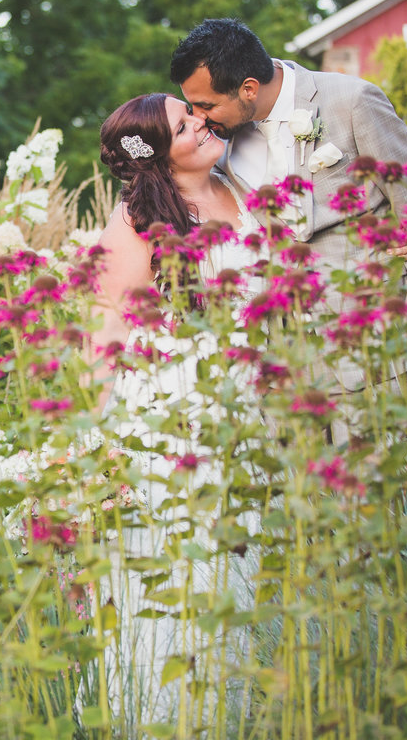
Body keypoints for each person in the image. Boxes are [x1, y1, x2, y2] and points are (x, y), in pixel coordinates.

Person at [87, 93, 264, 732]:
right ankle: (170, 716)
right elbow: (105, 331)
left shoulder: (244, 183)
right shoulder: (137, 221)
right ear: (159, 156)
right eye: (185, 125)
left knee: (246, 564)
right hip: (172, 412)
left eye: (194, 114)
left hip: (254, 398)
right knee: (181, 570)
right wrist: (92, 443)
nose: (202, 124)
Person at [169, 17, 407, 395]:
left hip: (373, 343)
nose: (197, 118)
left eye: (205, 105)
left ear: (248, 89)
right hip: (285, 361)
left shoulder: (352, 102)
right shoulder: (219, 142)